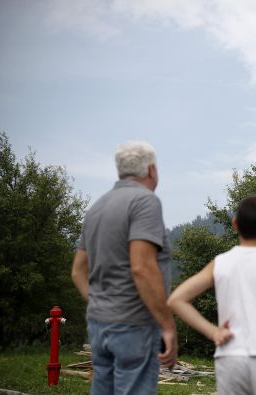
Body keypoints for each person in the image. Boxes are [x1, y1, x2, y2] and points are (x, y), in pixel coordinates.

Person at [71, 141, 177, 395]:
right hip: (134, 323)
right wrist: (167, 325)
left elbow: (77, 271)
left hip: (99, 323)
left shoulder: (97, 207)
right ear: (151, 170)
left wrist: (100, 302)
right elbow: (141, 267)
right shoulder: (145, 202)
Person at [168, 195, 256, 395]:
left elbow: (176, 300)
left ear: (235, 224)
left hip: (231, 357)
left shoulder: (221, 263)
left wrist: (213, 332)